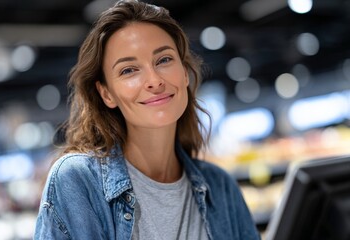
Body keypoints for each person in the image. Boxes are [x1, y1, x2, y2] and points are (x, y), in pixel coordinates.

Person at [34, 0, 260, 239]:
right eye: (128, 70)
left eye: (163, 60)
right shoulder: (78, 181)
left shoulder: (220, 187)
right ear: (107, 93)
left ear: (184, 73)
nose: (154, 80)